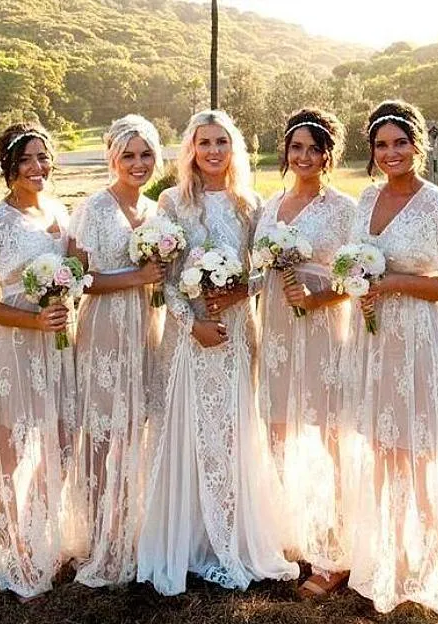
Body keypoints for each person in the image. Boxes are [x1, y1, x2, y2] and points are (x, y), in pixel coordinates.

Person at [136, 109, 299, 595]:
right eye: (203, 143)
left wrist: (234, 296)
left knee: (229, 431)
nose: (212, 152)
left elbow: (261, 270)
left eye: (221, 143)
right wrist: (194, 322)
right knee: (184, 428)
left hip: (233, 333)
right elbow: (163, 276)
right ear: (190, 149)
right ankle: (183, 541)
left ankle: (229, 536)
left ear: (234, 150)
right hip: (187, 335)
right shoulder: (170, 202)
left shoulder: (251, 204)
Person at [343, 100, 438, 621]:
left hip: (421, 338)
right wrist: (359, 287)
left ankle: (429, 560)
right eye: (381, 145)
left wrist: (395, 284)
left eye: (400, 143)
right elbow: (356, 264)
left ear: (417, 145)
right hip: (374, 338)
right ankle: (389, 556)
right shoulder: (365, 198)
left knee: (420, 446)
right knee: (383, 446)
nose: (391, 153)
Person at [0, 123, 76, 602]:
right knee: (11, 455)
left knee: (62, 444)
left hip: (59, 350)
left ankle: (39, 534)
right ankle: (13, 552)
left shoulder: (59, 212)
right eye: (27, 160)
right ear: (9, 168)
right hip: (14, 350)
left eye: (44, 158)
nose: (38, 168)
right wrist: (32, 323)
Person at [254, 108, 358, 599]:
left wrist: (317, 298)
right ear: (286, 152)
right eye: (296, 147)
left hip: (321, 326)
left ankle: (335, 554)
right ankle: (292, 536)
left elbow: (358, 275)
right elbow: (259, 269)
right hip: (275, 325)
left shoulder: (343, 209)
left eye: (314, 149)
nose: (304, 156)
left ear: (328, 154)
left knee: (326, 432)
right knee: (279, 428)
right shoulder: (270, 206)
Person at [67, 114, 165, 587]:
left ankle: (129, 528)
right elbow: (77, 278)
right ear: (112, 158)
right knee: (103, 430)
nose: (138, 163)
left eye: (146, 154)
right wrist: (136, 278)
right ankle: (99, 537)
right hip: (105, 327)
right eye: (128, 155)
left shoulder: (155, 212)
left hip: (145, 326)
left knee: (135, 427)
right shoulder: (92, 208)